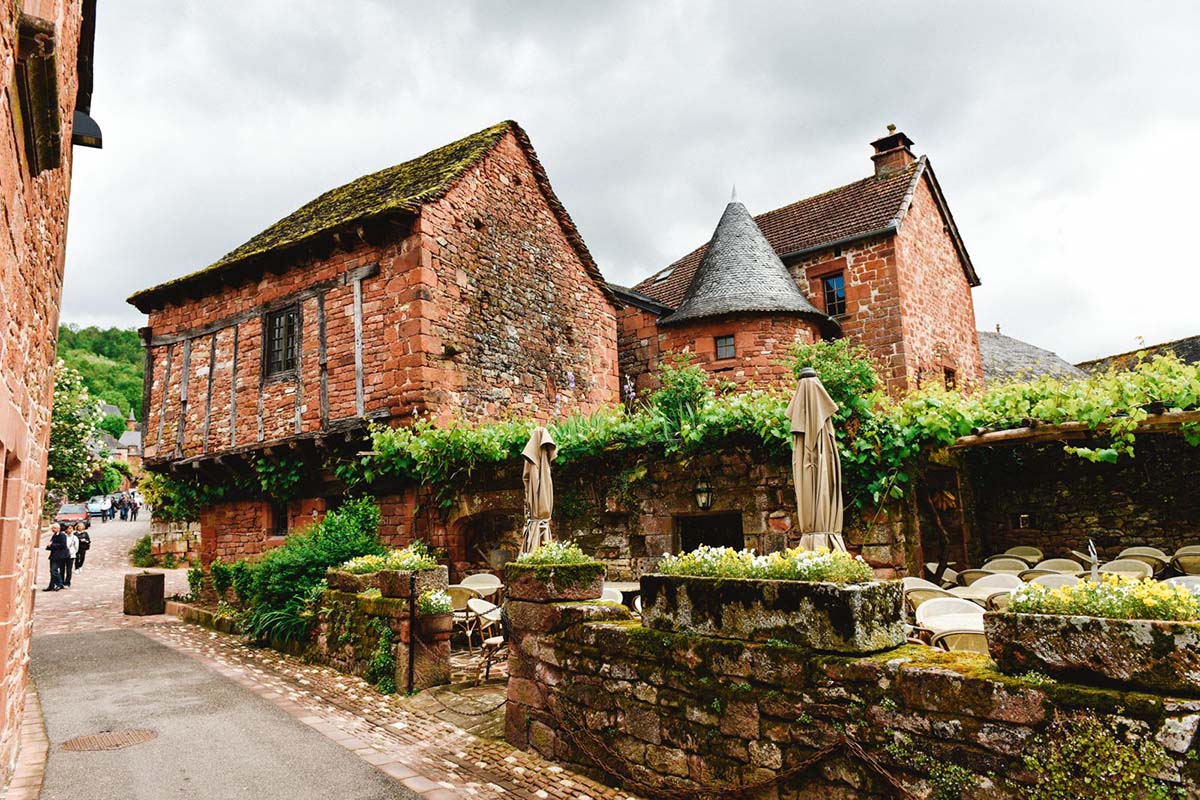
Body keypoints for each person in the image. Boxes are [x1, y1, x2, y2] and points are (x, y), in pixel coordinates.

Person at [45, 523, 69, 591]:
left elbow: (63, 545)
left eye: (54, 528)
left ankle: (60, 584)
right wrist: (49, 546)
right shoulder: (54, 535)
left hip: (60, 556)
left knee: (54, 570)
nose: (53, 529)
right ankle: (51, 585)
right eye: (52, 528)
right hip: (53, 555)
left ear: (58, 528)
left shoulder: (62, 535)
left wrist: (52, 545)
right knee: (52, 571)